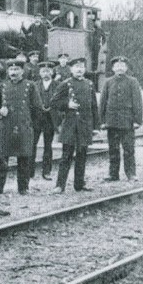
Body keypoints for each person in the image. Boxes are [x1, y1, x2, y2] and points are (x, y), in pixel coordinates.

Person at [0, 59, 42, 195]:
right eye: (11, 70)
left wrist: (32, 126)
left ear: (22, 71)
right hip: (6, 126)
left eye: (16, 70)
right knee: (1, 158)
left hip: (23, 126)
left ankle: (23, 188)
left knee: (24, 158)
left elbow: (37, 108)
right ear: (8, 71)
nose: (13, 72)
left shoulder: (30, 86)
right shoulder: (2, 86)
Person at [51, 57, 98, 193]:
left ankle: (79, 184)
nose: (79, 69)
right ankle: (60, 185)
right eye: (76, 67)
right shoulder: (66, 84)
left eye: (82, 67)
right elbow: (54, 103)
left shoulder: (89, 84)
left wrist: (95, 126)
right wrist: (67, 104)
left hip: (84, 125)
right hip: (70, 125)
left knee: (82, 155)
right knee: (66, 156)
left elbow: (94, 106)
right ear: (71, 69)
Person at [100, 55, 143, 182]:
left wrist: (137, 120)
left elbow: (137, 102)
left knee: (129, 149)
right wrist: (102, 121)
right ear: (113, 68)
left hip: (127, 121)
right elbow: (103, 102)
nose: (119, 68)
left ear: (126, 68)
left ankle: (131, 173)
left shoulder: (132, 82)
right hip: (112, 121)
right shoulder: (108, 82)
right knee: (113, 149)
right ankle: (113, 174)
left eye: (122, 66)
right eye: (117, 66)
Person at [31, 61, 60, 180]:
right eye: (43, 71)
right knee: (32, 144)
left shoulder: (58, 85)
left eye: (48, 71)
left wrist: (53, 108)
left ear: (52, 73)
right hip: (37, 118)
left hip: (50, 119)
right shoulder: (34, 85)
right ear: (40, 73)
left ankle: (46, 171)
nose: (46, 73)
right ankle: (29, 171)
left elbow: (61, 100)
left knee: (48, 145)